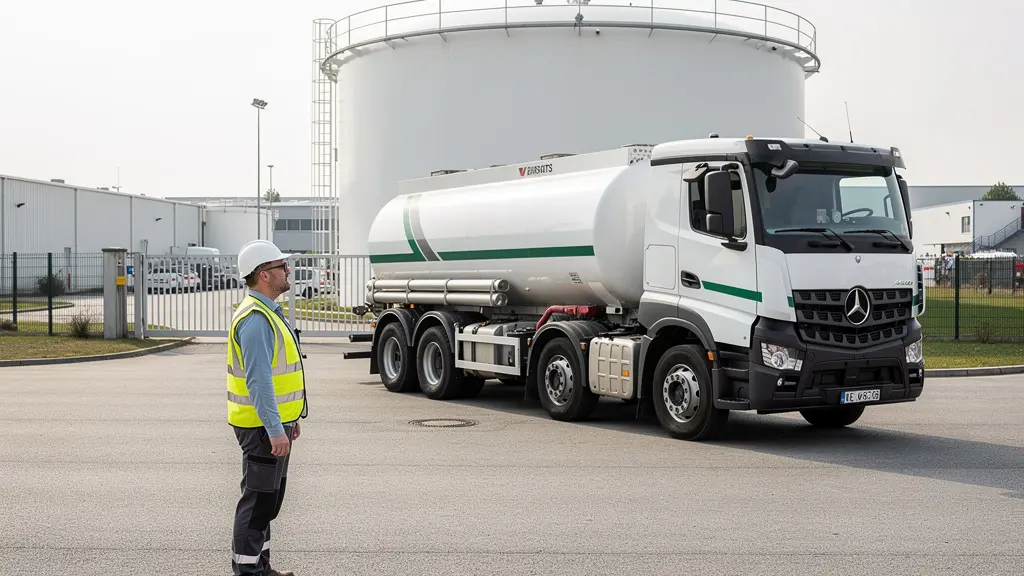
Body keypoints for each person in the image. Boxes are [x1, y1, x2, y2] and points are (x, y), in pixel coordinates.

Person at [227, 239, 308, 576]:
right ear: (263, 275)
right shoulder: (257, 320)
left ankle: (262, 567)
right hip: (261, 428)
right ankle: (248, 572)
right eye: (280, 266)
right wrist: (276, 428)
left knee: (267, 502)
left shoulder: (266, 314)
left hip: (273, 425)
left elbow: (277, 378)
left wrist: (290, 419)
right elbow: (259, 383)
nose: (287, 271)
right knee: (258, 502)